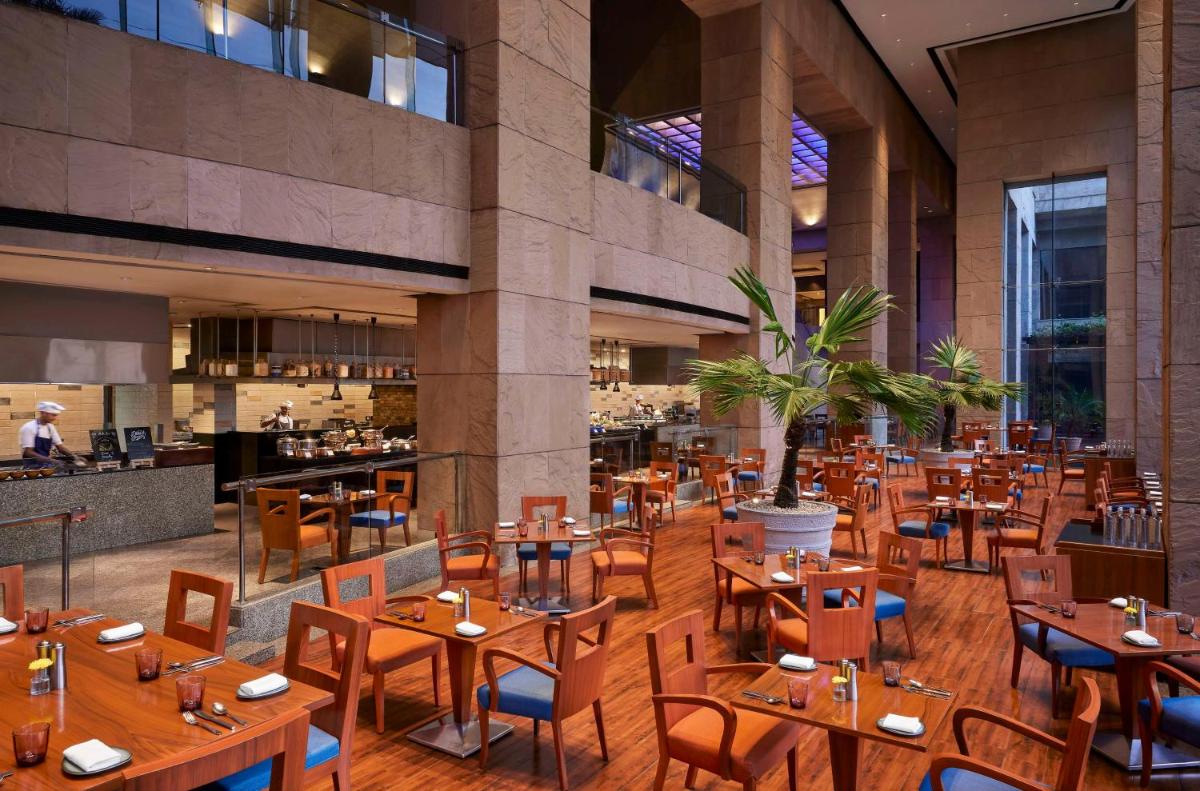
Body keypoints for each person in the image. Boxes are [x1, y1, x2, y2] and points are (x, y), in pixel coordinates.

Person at [20, 401, 75, 468]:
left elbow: (60, 448)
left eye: (56, 415)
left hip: (46, 466)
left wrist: (75, 457)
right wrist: (51, 460)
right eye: (53, 415)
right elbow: (28, 452)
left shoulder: (50, 427)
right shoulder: (29, 427)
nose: (55, 418)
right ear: (43, 413)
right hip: (31, 467)